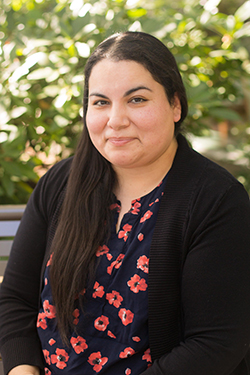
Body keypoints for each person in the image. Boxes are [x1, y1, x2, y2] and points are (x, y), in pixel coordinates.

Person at [0, 31, 250, 375]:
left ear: (175, 105)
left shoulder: (217, 201)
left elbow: (215, 343)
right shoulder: (60, 183)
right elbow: (15, 298)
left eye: (137, 100)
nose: (115, 120)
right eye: (101, 102)